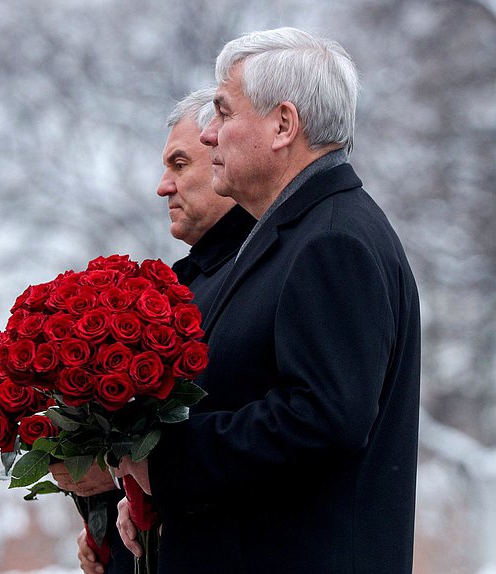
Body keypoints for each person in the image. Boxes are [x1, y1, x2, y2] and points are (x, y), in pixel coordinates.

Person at [115, 27, 421, 574]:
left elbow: (323, 419)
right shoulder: (297, 234)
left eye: (223, 112)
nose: (209, 134)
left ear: (283, 125)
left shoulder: (332, 241)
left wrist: (167, 460)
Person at [51, 87, 255, 574]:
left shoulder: (258, 275)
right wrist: (107, 518)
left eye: (180, 164)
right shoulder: (189, 280)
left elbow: (255, 431)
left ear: (224, 152)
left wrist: (120, 467)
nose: (163, 187)